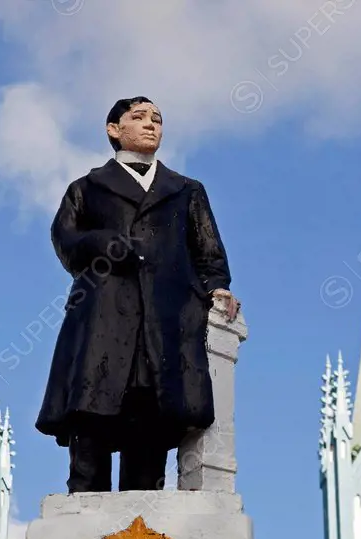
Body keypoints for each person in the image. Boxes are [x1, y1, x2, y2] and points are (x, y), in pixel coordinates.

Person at [35, 96, 241, 494]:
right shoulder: (86, 188)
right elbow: (65, 240)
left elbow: (208, 250)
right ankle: (81, 522)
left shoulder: (186, 191)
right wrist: (102, 242)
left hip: (165, 325)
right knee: (91, 418)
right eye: (139, 117)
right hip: (102, 319)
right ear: (115, 129)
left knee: (149, 432)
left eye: (158, 119)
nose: (151, 125)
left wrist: (218, 286)